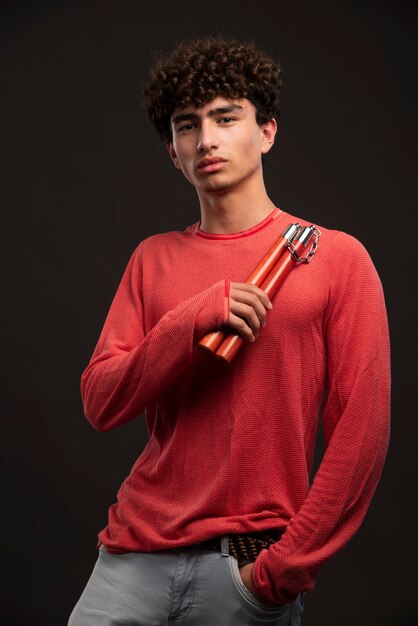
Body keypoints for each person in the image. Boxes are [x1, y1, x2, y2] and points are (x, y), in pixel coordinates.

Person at [68, 36, 390, 625]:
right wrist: (191, 319)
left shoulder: (337, 258)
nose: (207, 139)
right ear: (173, 151)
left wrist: (282, 574)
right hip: (128, 562)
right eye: (187, 126)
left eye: (226, 117)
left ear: (266, 132)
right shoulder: (152, 258)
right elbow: (99, 399)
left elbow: (360, 434)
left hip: (246, 572)